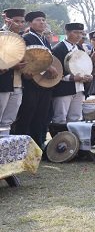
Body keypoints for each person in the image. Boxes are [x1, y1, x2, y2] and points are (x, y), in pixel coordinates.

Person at [11, 11, 58, 148]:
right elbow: (27, 59)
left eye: (43, 20)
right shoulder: (26, 38)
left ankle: (38, 145)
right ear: (30, 23)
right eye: (38, 20)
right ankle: (22, 146)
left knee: (42, 116)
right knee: (27, 114)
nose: (42, 22)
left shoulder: (45, 40)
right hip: (30, 82)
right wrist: (46, 68)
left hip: (44, 83)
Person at [51, 22, 93, 124]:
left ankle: (73, 135)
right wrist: (72, 78)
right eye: (76, 32)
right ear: (67, 32)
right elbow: (56, 71)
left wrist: (88, 76)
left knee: (76, 118)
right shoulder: (58, 49)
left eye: (81, 33)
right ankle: (60, 135)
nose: (79, 35)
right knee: (60, 118)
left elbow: (85, 67)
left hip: (79, 88)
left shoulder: (80, 49)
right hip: (63, 89)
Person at [0, 8, 27, 135]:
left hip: (18, 84)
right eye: (17, 21)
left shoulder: (21, 38)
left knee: (8, 121)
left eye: (22, 22)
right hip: (3, 84)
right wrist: (11, 66)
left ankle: (5, 144)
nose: (20, 24)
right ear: (7, 20)